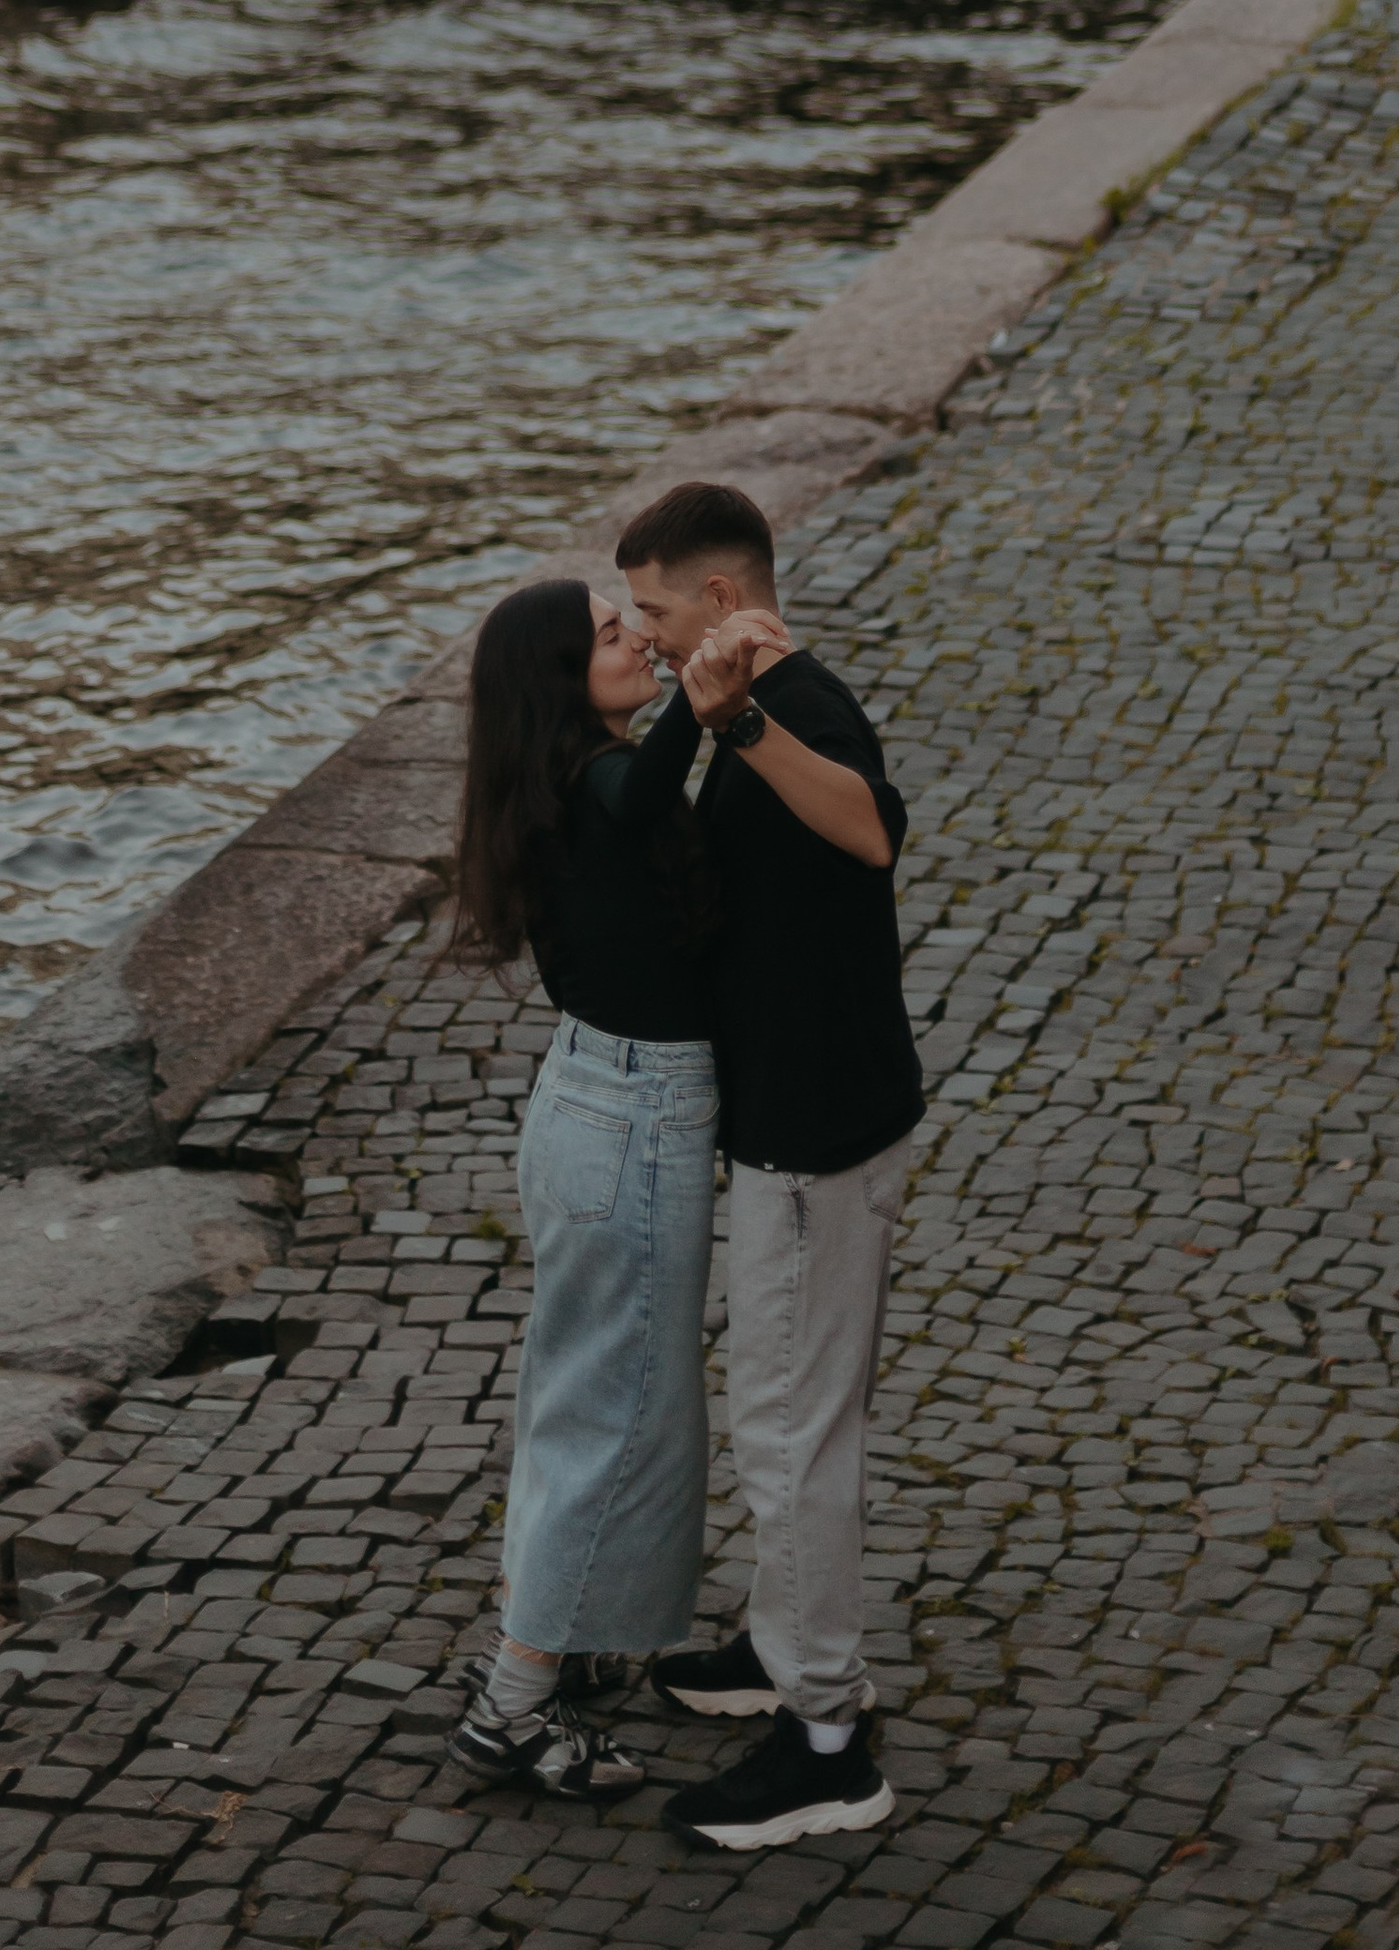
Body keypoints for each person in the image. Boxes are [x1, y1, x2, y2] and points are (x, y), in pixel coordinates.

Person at [616, 480, 923, 1854]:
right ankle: (781, 1648)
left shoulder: (804, 710)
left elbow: (869, 829)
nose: (647, 633)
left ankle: (827, 1741)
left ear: (724, 604)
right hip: (805, 1116)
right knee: (791, 1413)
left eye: (657, 613)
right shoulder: (756, 700)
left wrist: (734, 716)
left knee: (791, 1434)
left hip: (815, 1133)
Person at [443, 578, 718, 1806]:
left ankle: (569, 1641)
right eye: (613, 636)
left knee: (580, 1404)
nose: (641, 639)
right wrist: (709, 702)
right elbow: (648, 786)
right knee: (615, 1414)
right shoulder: (602, 784)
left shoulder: (550, 792)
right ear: (564, 681)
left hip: (586, 1104)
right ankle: (511, 1704)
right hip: (636, 1115)